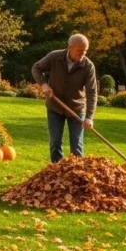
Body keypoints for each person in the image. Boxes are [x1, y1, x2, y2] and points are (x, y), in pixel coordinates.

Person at [31, 34, 97, 162]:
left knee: (77, 147)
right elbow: (36, 68)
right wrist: (44, 84)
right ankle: (57, 174)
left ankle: (77, 176)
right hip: (55, 106)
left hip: (77, 108)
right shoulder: (55, 57)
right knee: (55, 143)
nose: (82, 54)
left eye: (85, 51)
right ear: (69, 47)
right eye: (79, 51)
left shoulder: (88, 66)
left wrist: (89, 117)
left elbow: (92, 92)